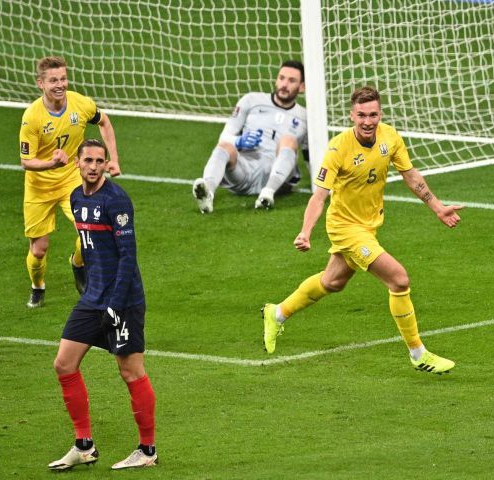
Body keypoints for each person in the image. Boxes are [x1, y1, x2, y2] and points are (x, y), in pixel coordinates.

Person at [262, 86, 462, 374]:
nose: (368, 121)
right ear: (351, 115)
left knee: (333, 282)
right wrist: (305, 232)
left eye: (373, 115)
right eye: (361, 115)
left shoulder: (390, 137)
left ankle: (277, 313)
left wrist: (437, 207)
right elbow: (319, 196)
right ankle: (418, 353)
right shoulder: (338, 149)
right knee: (399, 280)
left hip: (369, 226)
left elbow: (410, 175)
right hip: (345, 228)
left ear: (380, 114)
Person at [48, 139, 157, 471]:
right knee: (64, 364)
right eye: (88, 160)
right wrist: (83, 277)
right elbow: (88, 247)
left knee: (130, 371)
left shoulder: (117, 201)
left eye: (100, 161)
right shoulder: (76, 198)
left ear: (107, 164)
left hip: (122, 301)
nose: (93, 166)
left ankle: (147, 451)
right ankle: (84, 446)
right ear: (77, 163)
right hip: (92, 298)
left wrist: (115, 303)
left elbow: (128, 257)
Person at [20, 56, 120, 308]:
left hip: (72, 180)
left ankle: (78, 262)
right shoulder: (32, 117)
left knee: (90, 232)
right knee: (39, 249)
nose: (60, 84)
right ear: (40, 83)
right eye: (53, 80)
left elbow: (105, 122)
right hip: (39, 185)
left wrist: (113, 159)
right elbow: (26, 161)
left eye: (63, 78)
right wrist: (51, 164)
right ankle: (37, 286)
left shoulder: (80, 104)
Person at [192, 60, 308, 213]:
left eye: (291, 80)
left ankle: (267, 194)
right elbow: (224, 136)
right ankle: (208, 194)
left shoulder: (305, 116)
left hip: (278, 179)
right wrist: (239, 141)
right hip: (244, 171)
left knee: (288, 140)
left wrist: (323, 186)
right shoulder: (251, 100)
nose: (284, 84)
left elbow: (310, 158)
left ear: (302, 87)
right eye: (281, 78)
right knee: (225, 147)